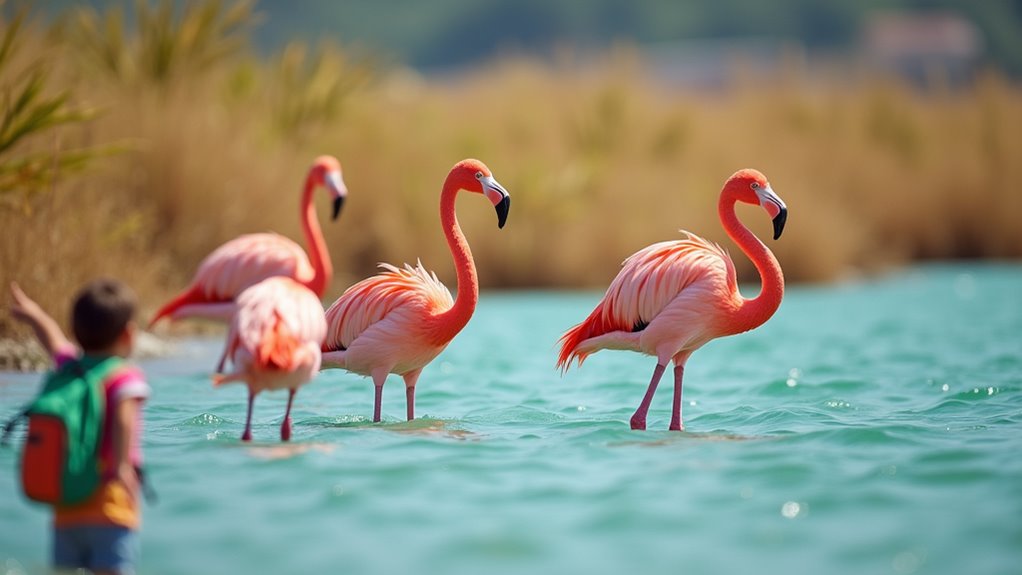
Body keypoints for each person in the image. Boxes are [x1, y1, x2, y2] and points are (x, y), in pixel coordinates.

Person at [9, 279, 150, 575]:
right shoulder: (124, 377)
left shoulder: (71, 368)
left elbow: (53, 341)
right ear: (128, 334)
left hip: (67, 509)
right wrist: (122, 468)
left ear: (76, 331)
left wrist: (34, 315)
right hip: (110, 505)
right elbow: (124, 417)